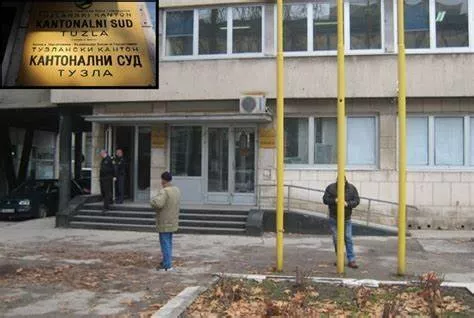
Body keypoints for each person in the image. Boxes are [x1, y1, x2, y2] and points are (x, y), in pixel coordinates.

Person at [323, 176, 360, 269]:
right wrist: (334, 200)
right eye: (338, 182)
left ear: (345, 181)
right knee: (336, 239)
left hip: (346, 218)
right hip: (334, 217)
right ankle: (340, 258)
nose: (340, 184)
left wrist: (347, 204)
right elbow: (325, 200)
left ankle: (351, 260)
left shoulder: (351, 188)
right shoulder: (331, 188)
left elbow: (357, 201)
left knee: (348, 238)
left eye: (342, 182)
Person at [150, 171, 181, 272]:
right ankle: (167, 261)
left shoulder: (164, 191)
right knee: (169, 242)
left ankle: (167, 265)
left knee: (165, 243)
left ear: (163, 180)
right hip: (173, 220)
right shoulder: (176, 190)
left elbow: (158, 204)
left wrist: (152, 200)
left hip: (164, 221)